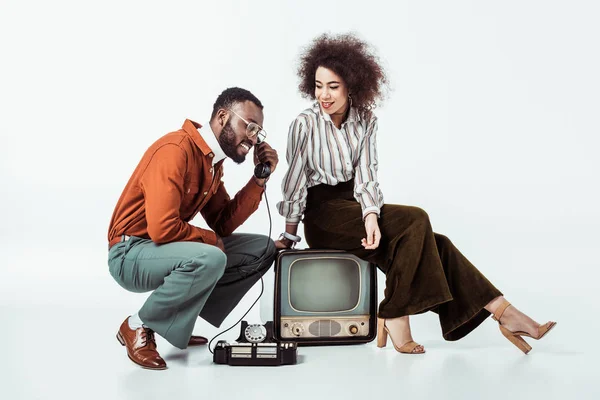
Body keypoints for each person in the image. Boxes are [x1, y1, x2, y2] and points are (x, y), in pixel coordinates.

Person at [275, 34, 555, 355]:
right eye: (318, 85)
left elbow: (367, 176)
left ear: (352, 85)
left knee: (439, 244)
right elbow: (294, 181)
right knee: (415, 218)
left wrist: (370, 216)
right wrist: (289, 234)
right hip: (322, 215)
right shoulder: (304, 124)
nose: (323, 94)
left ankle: (505, 313)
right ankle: (395, 311)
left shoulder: (366, 120)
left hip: (355, 206)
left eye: (333, 86)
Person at [108, 87, 279, 369]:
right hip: (129, 253)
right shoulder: (175, 150)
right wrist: (209, 240)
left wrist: (259, 179)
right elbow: (163, 229)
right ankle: (137, 325)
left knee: (262, 248)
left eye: (258, 133)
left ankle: (174, 322)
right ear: (223, 117)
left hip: (161, 249)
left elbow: (223, 223)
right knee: (210, 256)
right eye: (249, 126)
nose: (253, 138)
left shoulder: (211, 164)